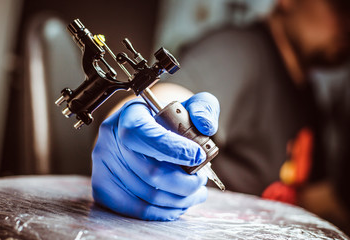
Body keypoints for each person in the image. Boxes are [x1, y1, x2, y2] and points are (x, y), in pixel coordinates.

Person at [91, 0, 350, 226]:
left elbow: (320, 198)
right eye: (341, 6)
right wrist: (129, 142)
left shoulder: (308, 98)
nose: (347, 24)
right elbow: (171, 97)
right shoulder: (237, 51)